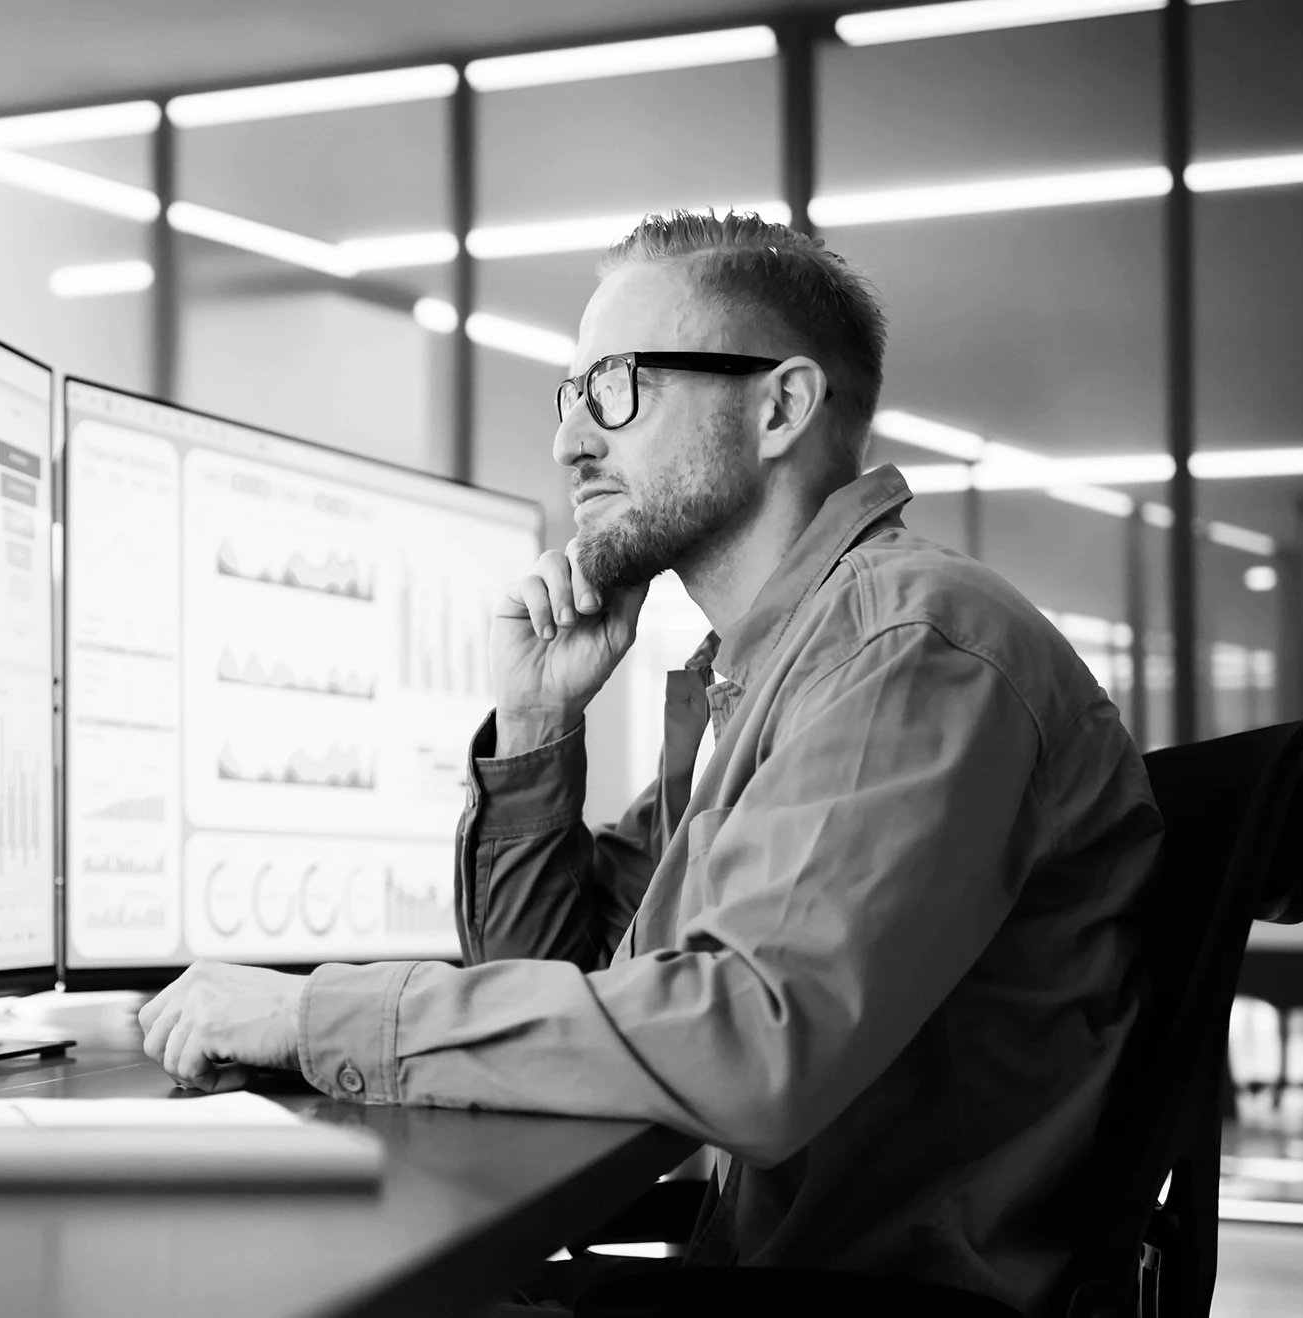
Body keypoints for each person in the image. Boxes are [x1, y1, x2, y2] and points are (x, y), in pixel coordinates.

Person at [138, 211, 1164, 1314]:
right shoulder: (762, 677)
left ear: (779, 407)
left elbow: (749, 1040)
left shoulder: (907, 650)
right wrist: (536, 722)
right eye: (570, 394)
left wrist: (316, 1018)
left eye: (616, 387)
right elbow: (564, 983)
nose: (570, 441)